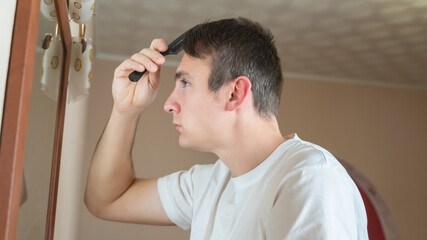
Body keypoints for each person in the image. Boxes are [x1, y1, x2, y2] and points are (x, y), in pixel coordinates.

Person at [84, 17, 368, 239]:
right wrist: (126, 109)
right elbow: (106, 200)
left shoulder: (309, 177)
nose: (168, 104)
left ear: (235, 93)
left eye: (185, 83)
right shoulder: (209, 185)